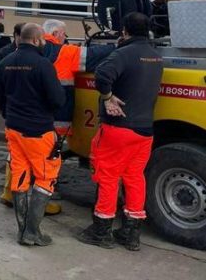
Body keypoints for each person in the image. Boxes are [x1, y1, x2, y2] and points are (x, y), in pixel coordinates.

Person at [77, 13, 164, 251]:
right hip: (145, 130)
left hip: (119, 128)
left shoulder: (123, 53)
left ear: (124, 31)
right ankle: (130, 233)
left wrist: (107, 97)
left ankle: (101, 230)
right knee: (135, 177)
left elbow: (102, 76)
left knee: (107, 177)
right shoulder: (156, 56)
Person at [0, 23, 65, 247]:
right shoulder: (43, 65)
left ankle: (22, 230)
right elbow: (57, 100)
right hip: (38, 131)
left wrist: (10, 115)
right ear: (35, 40)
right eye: (42, 39)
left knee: (20, 175)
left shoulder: (5, 63)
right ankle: (32, 232)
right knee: (45, 177)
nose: (44, 43)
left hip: (13, 128)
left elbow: (0, 98)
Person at [40, 19, 116, 215]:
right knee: (49, 157)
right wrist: (119, 44)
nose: (65, 38)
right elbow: (94, 55)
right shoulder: (64, 52)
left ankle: (18, 190)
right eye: (64, 35)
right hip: (56, 118)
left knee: (29, 155)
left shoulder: (31, 50)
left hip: (30, 116)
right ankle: (43, 195)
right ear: (56, 34)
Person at [0, 22, 24, 207]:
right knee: (13, 149)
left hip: (18, 106)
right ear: (16, 36)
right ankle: (9, 190)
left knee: (15, 150)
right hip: (10, 106)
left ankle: (12, 189)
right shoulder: (5, 53)